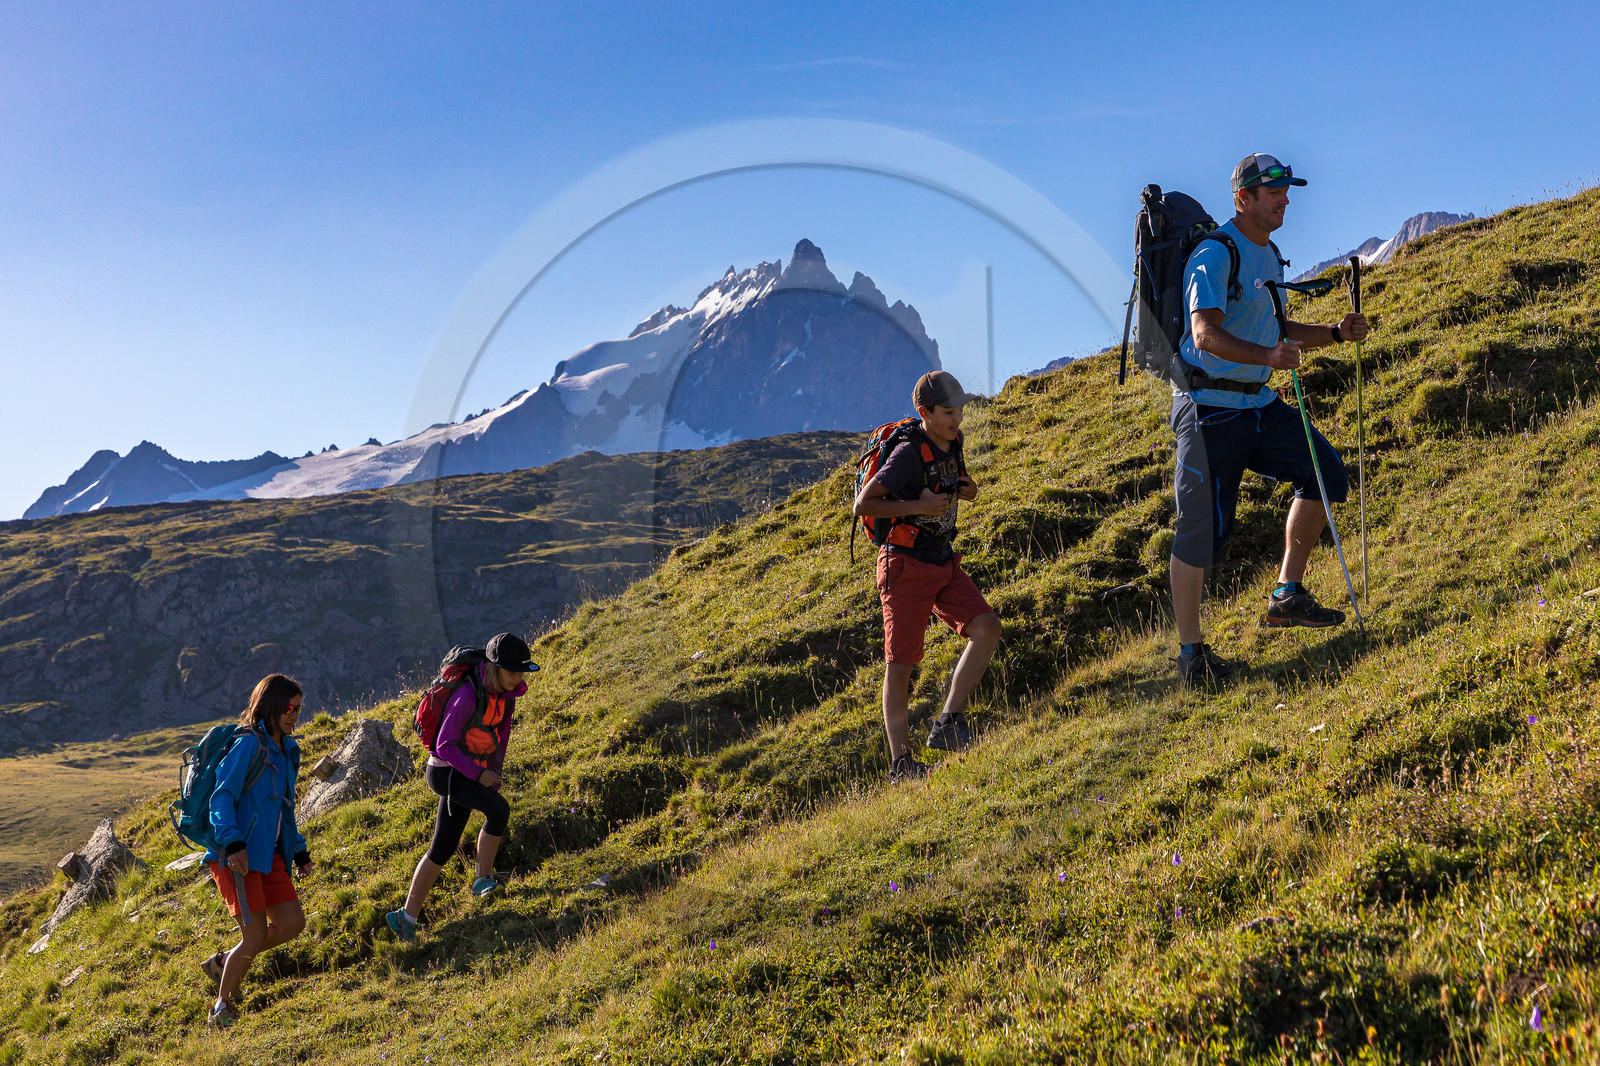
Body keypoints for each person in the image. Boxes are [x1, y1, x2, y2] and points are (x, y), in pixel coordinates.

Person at [1169, 153, 1370, 685]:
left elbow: (1276, 327)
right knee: (1199, 533)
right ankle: (1191, 658)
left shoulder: (1270, 254)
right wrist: (1268, 358)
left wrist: (1334, 333)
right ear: (1243, 199)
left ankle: (1287, 594)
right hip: (1208, 410)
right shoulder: (1215, 253)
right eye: (1274, 193)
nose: (1285, 201)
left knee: (1325, 473)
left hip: (1257, 404)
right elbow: (1204, 334)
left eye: (1286, 192)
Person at [853, 370, 1003, 782]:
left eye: (960, 410)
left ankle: (949, 724)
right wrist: (916, 507)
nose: (958, 419)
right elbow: (864, 506)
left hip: (941, 559)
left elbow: (954, 485)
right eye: (949, 412)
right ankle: (902, 763)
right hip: (904, 567)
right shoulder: (906, 454)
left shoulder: (953, 441)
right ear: (925, 412)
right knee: (901, 664)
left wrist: (968, 490)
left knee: (987, 627)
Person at [386, 632, 536, 942]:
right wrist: (479, 775)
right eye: (512, 671)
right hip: (446, 772)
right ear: (495, 667)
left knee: (442, 847)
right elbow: (444, 746)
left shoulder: (507, 695)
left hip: (468, 771)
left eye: (521, 672)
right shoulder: (468, 695)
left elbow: (502, 735)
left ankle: (405, 918)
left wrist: (494, 770)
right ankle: (482, 881)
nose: (518, 678)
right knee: (498, 811)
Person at [200, 674, 312, 1029]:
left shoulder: (287, 750)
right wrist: (232, 842)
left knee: (292, 924)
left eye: (299, 708)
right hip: (238, 858)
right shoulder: (249, 745)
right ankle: (221, 1008)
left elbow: (284, 810)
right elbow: (221, 796)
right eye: (289, 708)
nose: (294, 715)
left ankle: (224, 963)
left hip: (270, 856)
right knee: (255, 936)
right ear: (271, 706)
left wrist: (299, 851)